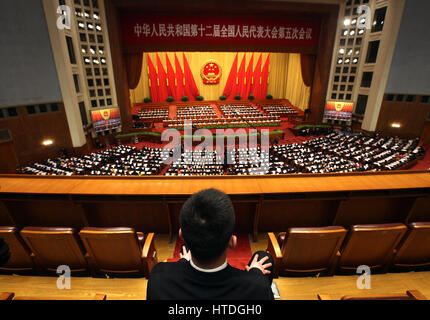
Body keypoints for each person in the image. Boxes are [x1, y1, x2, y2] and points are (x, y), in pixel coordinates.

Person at [147, 188, 274, 300]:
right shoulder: (258, 288)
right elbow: (258, 285)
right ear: (233, 242)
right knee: (263, 257)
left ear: (181, 236)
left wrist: (183, 262)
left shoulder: (158, 277)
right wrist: (256, 273)